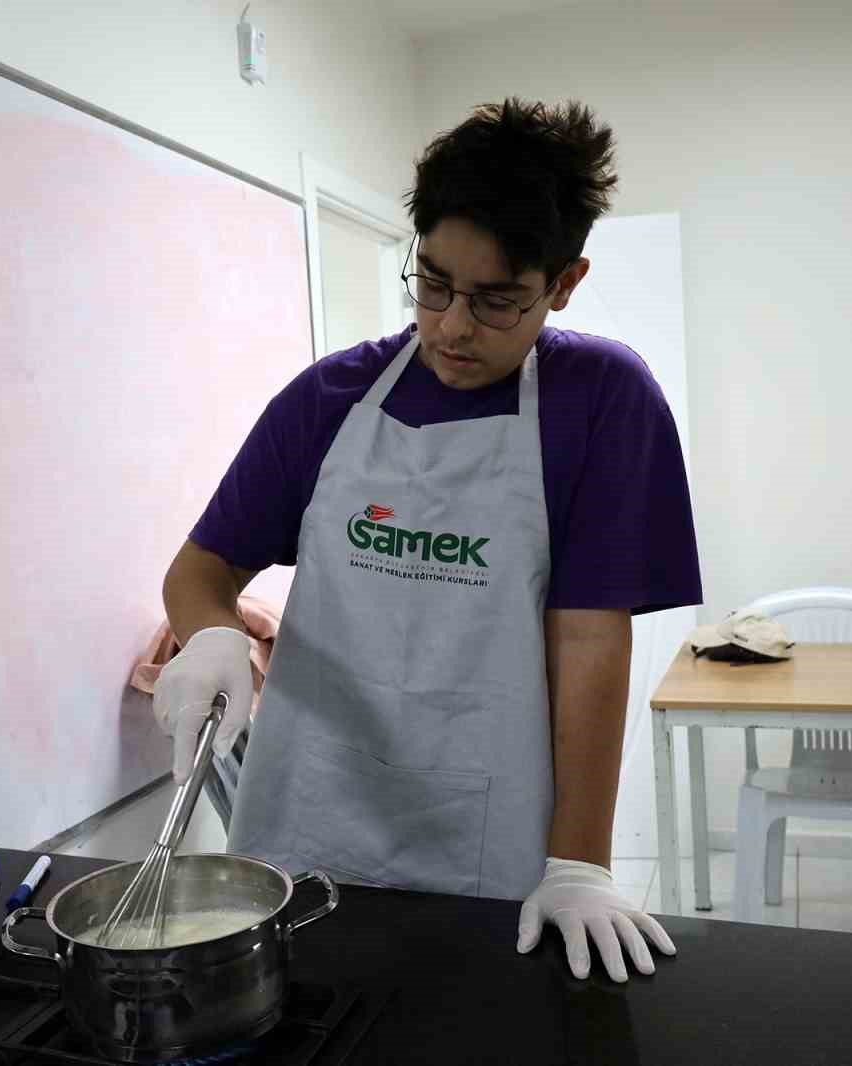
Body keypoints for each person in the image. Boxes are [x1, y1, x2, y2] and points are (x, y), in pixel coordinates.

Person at [153, 98, 702, 983]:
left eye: (496, 301)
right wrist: (211, 634)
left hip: (489, 822)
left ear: (564, 283)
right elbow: (200, 571)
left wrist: (580, 862)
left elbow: (590, 640)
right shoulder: (327, 400)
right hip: (308, 814)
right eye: (434, 284)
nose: (451, 326)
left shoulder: (601, 401)